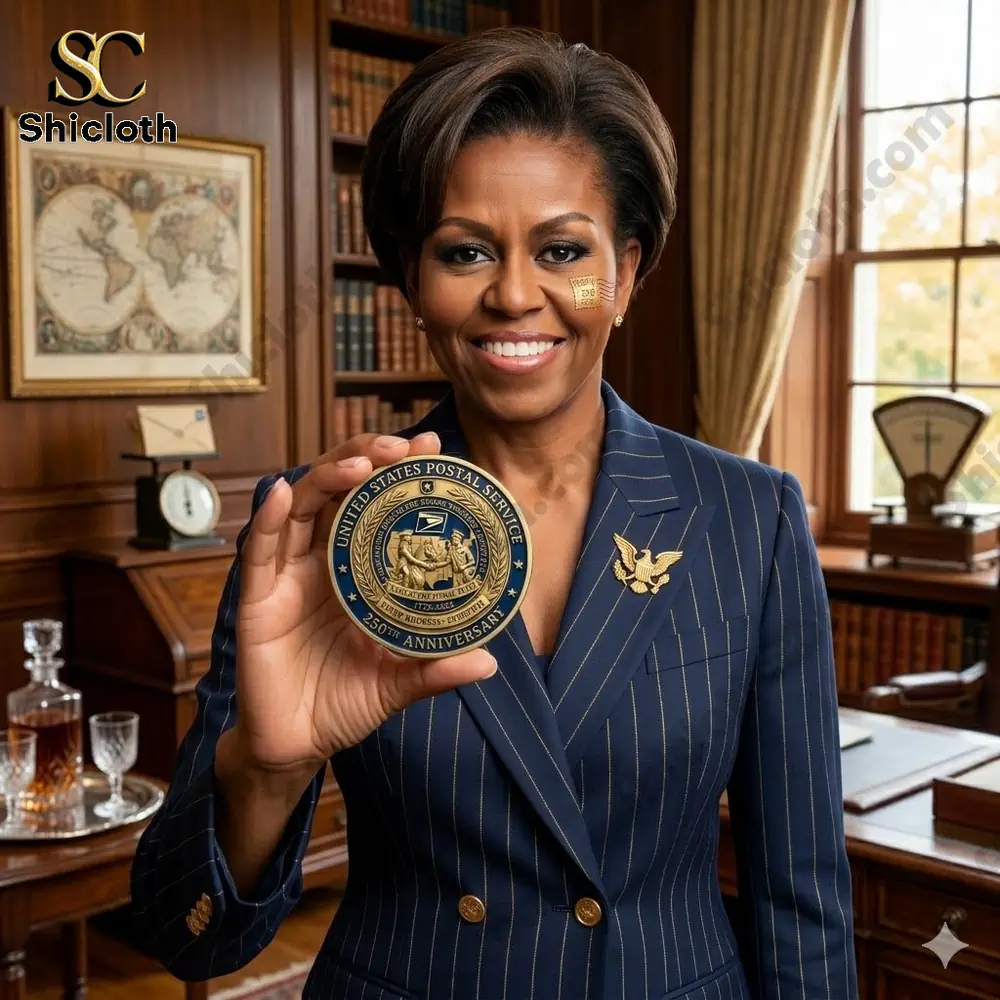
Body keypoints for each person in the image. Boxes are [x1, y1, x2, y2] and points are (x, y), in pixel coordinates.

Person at [130, 27, 856, 1000]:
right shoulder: (320, 523)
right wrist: (265, 769)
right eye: (465, 251)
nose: (514, 294)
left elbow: (801, 898)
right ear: (412, 280)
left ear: (626, 271)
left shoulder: (749, 517)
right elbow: (188, 938)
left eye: (562, 250)